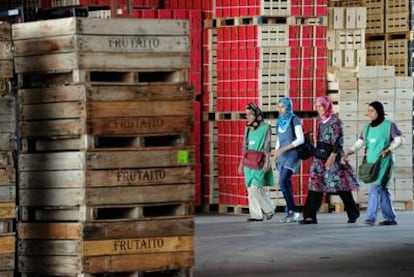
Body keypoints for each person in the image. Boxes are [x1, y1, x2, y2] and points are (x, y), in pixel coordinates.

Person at [341, 101, 404, 226]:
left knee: (375, 187)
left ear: (379, 111)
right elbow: (359, 143)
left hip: (385, 163)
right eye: (368, 111)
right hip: (372, 164)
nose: (369, 113)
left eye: (372, 110)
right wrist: (348, 153)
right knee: (383, 189)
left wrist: (389, 149)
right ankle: (390, 218)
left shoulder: (389, 126)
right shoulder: (367, 128)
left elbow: (399, 140)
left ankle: (370, 217)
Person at [300, 96, 360, 224]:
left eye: (320, 106)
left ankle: (353, 212)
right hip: (320, 156)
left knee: (340, 185)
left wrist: (333, 156)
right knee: (315, 183)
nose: (318, 109)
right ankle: (309, 216)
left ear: (326, 106)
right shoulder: (321, 121)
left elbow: (339, 139)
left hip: (333, 156)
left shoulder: (335, 120)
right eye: (316, 106)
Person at [238, 103, 275, 221]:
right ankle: (256, 215)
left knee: (256, 187)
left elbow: (267, 146)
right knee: (250, 189)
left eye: (250, 114)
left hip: (259, 161)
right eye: (246, 114)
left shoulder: (266, 127)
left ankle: (269, 209)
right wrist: (241, 164)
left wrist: (267, 162)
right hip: (248, 162)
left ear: (257, 114)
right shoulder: (247, 129)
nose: (248, 117)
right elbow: (244, 147)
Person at [274, 97, 304, 223]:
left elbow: (300, 139)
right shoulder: (279, 121)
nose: (280, 109)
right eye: (279, 107)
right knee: (287, 184)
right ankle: (292, 213)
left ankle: (292, 211)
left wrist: (283, 149)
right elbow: (278, 139)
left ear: (288, 107)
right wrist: (276, 153)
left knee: (283, 181)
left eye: (283, 106)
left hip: (292, 155)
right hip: (281, 156)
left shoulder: (294, 119)